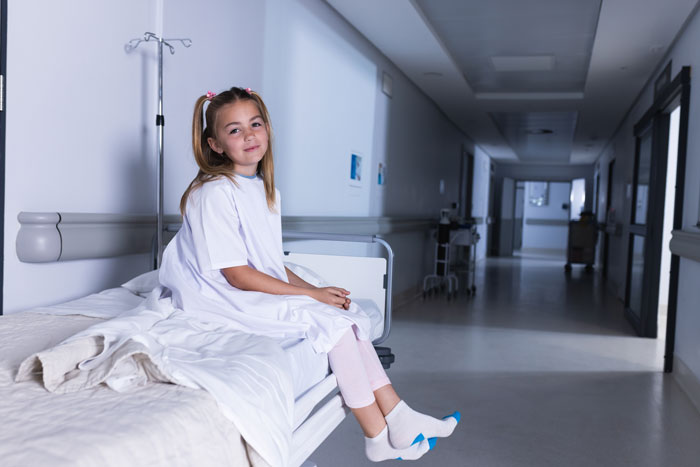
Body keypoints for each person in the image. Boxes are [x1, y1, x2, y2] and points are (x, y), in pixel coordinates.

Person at [159, 86, 459, 462]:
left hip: (244, 283)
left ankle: (398, 417)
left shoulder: (264, 191)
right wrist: (311, 297)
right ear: (215, 144)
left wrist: (317, 289)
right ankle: (378, 432)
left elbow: (267, 262)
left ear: (267, 128)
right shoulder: (215, 192)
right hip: (217, 296)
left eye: (255, 123)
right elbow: (236, 275)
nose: (249, 134)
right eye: (234, 130)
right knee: (329, 324)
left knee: (343, 313)